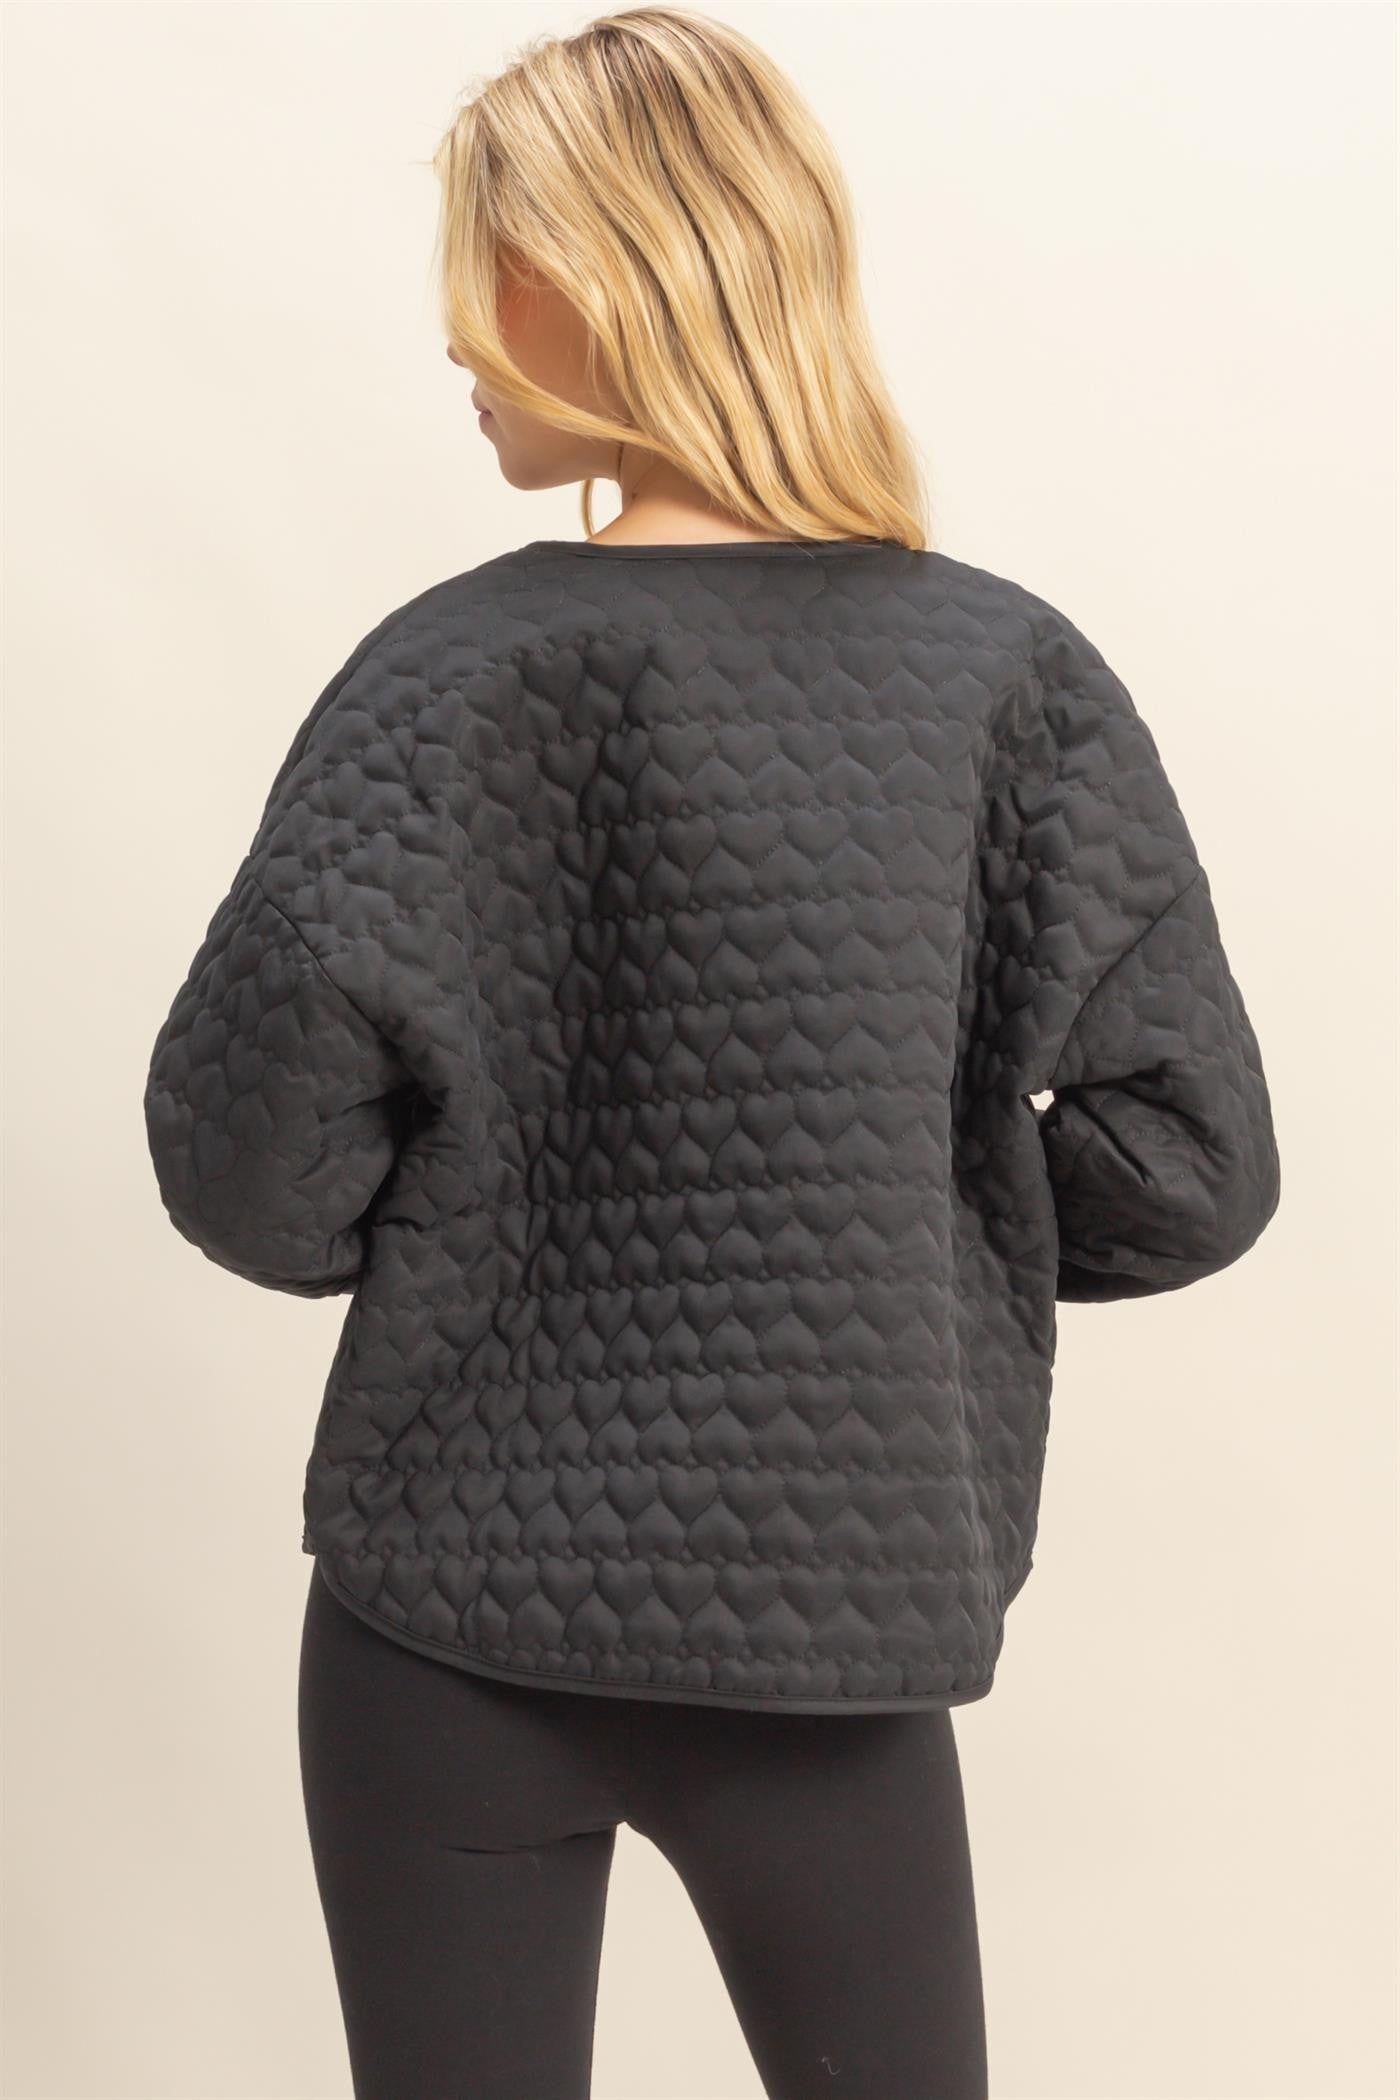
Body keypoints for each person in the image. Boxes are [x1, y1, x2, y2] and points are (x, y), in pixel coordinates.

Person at [141, 8, 1282, 2097]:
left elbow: (253, 1177)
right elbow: (1191, 1167)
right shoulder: (1003, 682)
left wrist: (493, 1200)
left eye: (483, 270)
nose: (454, 335)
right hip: (832, 1632)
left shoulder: (444, 678)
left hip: (442, 1625)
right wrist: (916, 1199)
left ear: (594, 279)